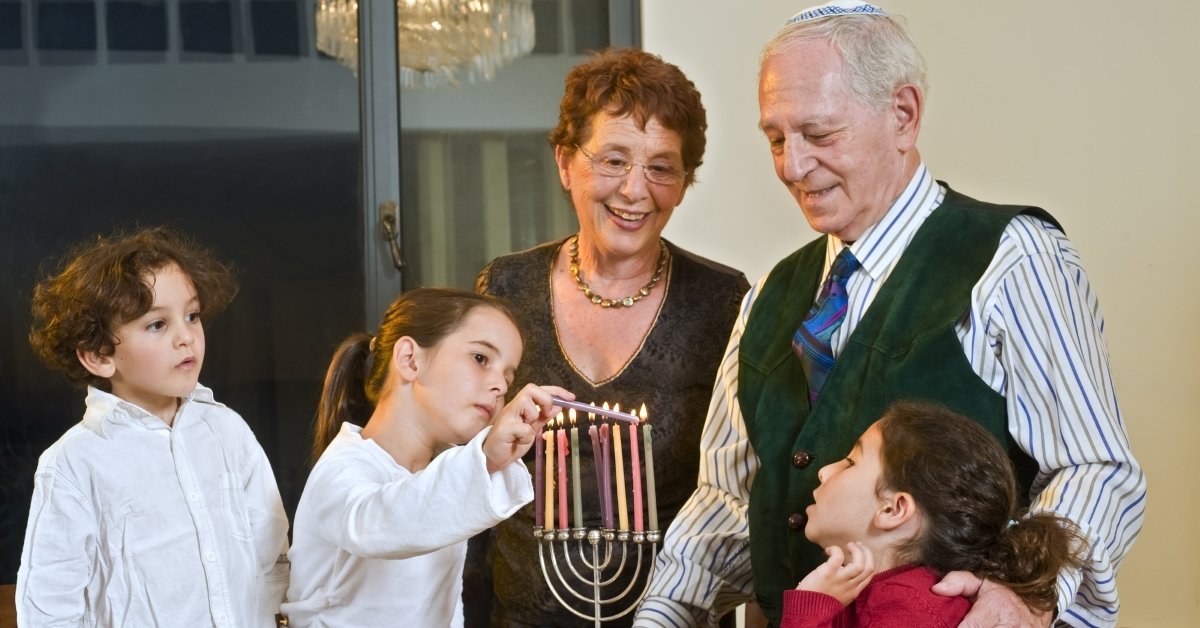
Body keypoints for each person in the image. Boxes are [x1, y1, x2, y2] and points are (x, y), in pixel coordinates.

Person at [636, 2, 1145, 627]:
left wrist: (1028, 596)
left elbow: (1097, 469)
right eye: (776, 138)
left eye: (820, 134)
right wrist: (661, 615)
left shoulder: (1014, 259)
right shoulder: (769, 293)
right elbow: (727, 500)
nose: (792, 166)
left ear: (903, 115)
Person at [469, 47, 751, 627]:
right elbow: (463, 460)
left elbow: (745, 492)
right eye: (614, 160)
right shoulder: (505, 287)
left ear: (684, 183)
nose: (634, 190)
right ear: (565, 162)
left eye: (662, 168)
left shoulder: (725, 302)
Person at [18, 226, 290, 626]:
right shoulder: (74, 464)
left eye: (192, 316)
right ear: (99, 355)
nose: (186, 337)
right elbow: (49, 607)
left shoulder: (228, 432)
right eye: (157, 324)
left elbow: (272, 556)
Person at [280, 288, 571, 627]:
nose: (500, 387)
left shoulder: (441, 482)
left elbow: (446, 611)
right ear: (410, 359)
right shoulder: (342, 468)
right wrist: (485, 459)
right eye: (481, 358)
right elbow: (379, 524)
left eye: (509, 377)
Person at [781, 400, 1087, 628]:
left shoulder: (907, 612)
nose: (824, 472)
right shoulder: (892, 597)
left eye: (850, 462)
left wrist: (809, 608)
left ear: (893, 509)